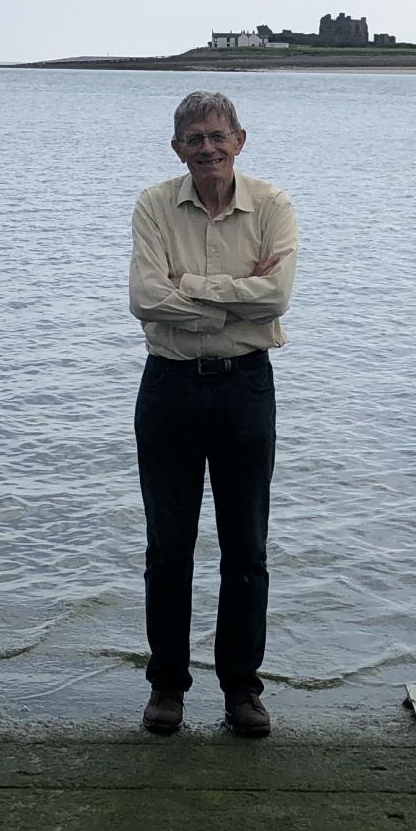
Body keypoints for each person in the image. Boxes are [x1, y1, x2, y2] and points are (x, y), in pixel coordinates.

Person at [126, 91, 299, 736]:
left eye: (216, 136)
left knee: (246, 548)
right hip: (168, 389)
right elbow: (145, 298)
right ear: (178, 148)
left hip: (245, 390)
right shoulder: (153, 205)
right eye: (194, 138)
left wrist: (190, 289)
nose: (207, 148)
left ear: (239, 140)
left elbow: (277, 294)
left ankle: (241, 691)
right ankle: (167, 686)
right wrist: (238, 300)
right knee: (167, 549)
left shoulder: (272, 207)